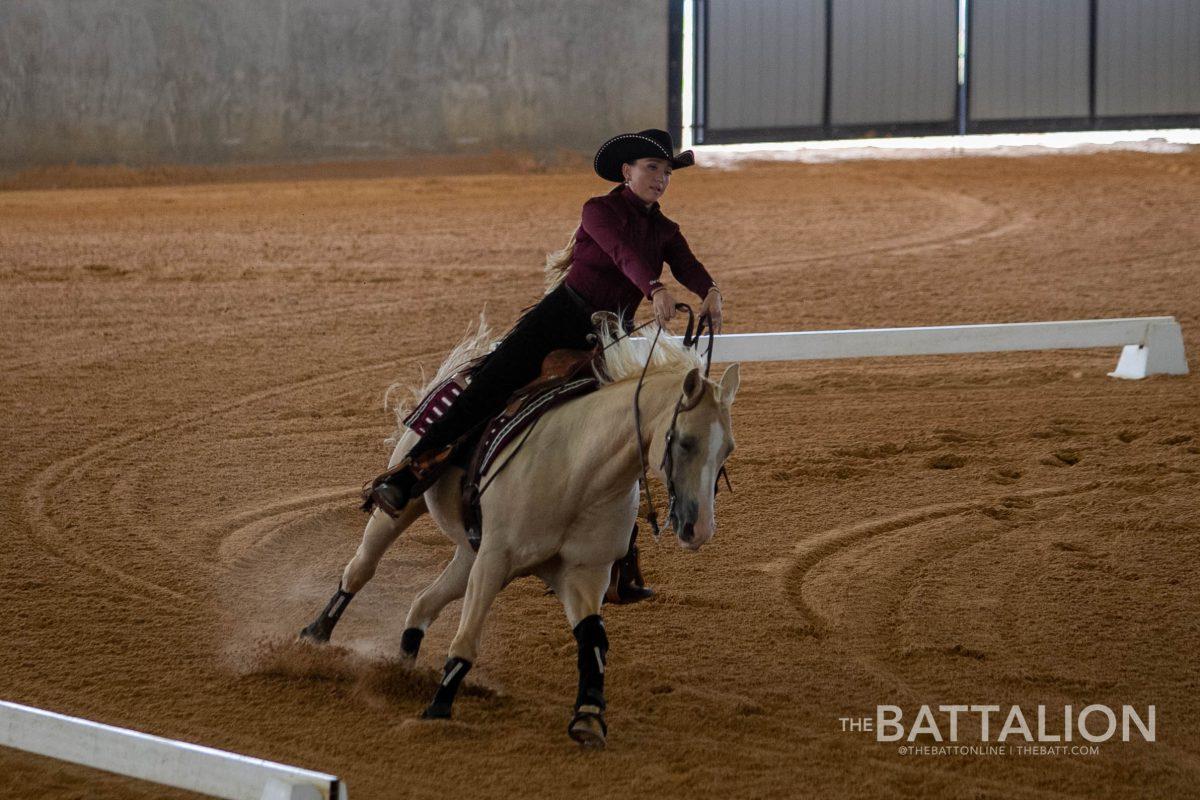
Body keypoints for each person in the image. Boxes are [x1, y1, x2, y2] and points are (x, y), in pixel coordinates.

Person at [363, 128, 724, 602]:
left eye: (666, 172)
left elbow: (688, 265)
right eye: (652, 169)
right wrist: (654, 289)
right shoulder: (598, 211)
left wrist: (710, 289)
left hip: (604, 339)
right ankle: (408, 476)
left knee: (628, 428)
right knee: (489, 386)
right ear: (627, 172)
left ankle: (618, 557)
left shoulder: (665, 230)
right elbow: (624, 256)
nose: (661, 179)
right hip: (558, 320)